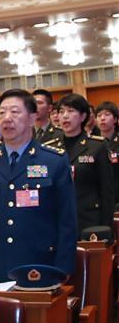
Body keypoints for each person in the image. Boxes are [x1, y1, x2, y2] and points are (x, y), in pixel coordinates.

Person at [0, 89, 77, 281]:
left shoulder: (53, 160)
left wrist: (63, 268)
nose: (7, 118)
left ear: (31, 118)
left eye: (15, 112)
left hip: (41, 265)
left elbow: (67, 220)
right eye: (2, 112)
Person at [57, 94, 114, 239]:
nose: (65, 116)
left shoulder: (97, 146)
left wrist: (106, 229)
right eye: (61, 111)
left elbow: (106, 191)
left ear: (83, 116)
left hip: (89, 221)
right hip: (58, 220)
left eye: (70, 111)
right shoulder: (50, 149)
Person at [96, 100, 119, 204]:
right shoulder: (92, 143)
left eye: (107, 114)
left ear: (115, 119)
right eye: (99, 115)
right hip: (98, 198)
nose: (102, 118)